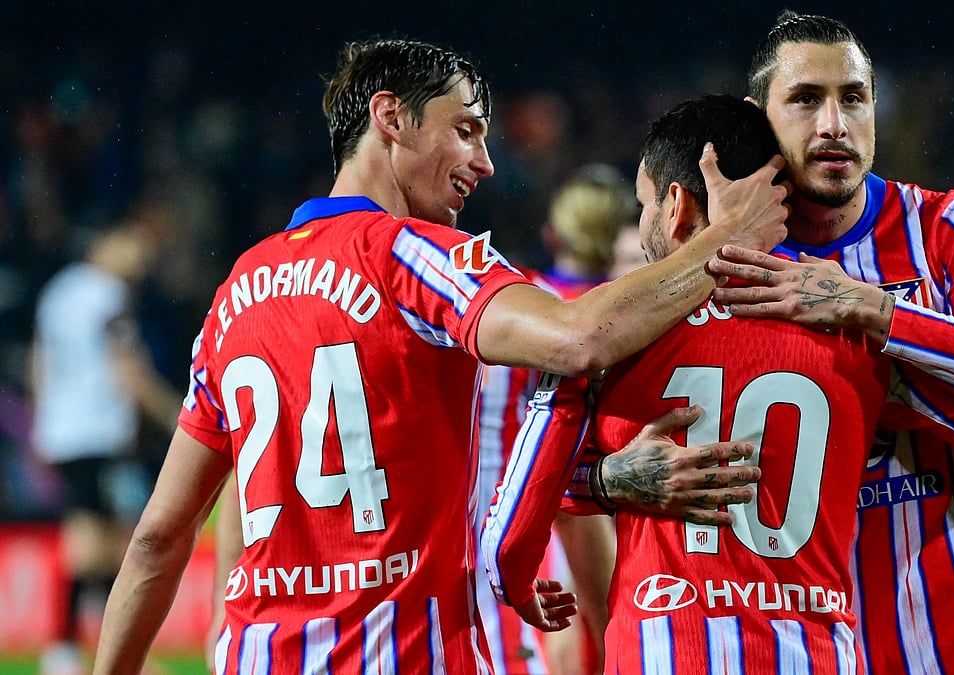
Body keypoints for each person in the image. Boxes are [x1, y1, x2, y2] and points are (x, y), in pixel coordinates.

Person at [92, 38, 789, 674]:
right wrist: (728, 239)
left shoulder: (236, 294)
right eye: (466, 131)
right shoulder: (411, 255)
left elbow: (159, 536)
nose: (485, 163)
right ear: (391, 118)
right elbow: (581, 336)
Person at [482, 94, 954, 673]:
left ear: (676, 205)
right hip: (812, 650)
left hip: (664, 648)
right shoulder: (846, 331)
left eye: (643, 205)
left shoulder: (601, 334)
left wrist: (604, 486)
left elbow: (510, 534)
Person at [694, 13, 954, 674]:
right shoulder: (720, 267)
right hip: (815, 652)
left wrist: (866, 308)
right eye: (806, 99)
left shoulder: (946, 227)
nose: (834, 124)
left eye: (854, 98)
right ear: (757, 118)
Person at [473, 164, 633, 674]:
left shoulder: (521, 299)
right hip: (598, 495)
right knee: (607, 630)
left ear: (554, 233)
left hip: (518, 494)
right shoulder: (631, 312)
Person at [29, 216, 181, 675]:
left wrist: (43, 420)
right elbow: (128, 369)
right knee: (97, 544)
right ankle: (70, 649)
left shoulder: (57, 292)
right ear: (105, 241)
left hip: (62, 431)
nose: (140, 257)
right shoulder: (106, 295)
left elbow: (41, 360)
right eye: (131, 244)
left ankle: (74, 648)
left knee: (96, 539)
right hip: (95, 429)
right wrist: (176, 413)